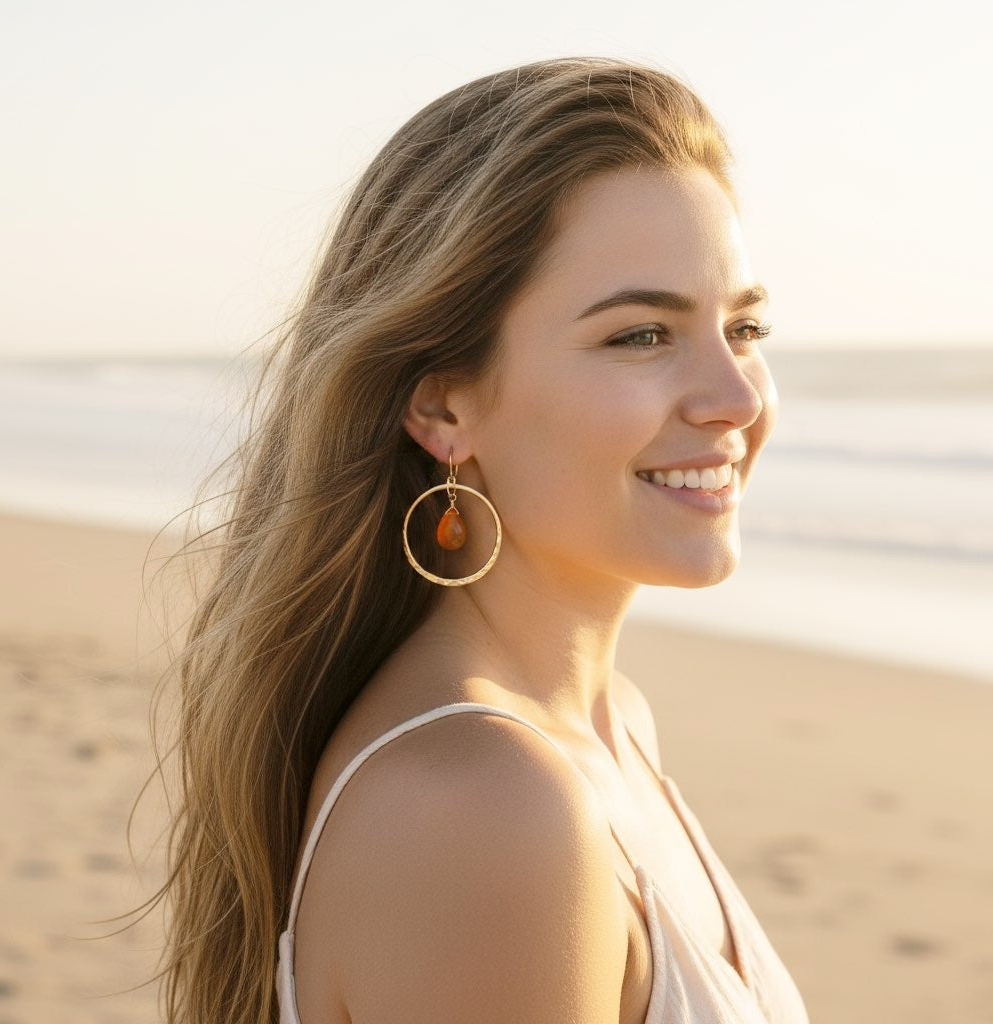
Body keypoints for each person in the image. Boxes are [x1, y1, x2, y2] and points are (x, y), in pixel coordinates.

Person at [148, 56, 811, 1024]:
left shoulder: (604, 726)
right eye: (640, 335)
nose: (736, 397)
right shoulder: (486, 808)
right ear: (442, 402)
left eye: (744, 327)